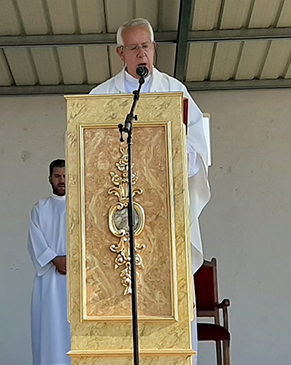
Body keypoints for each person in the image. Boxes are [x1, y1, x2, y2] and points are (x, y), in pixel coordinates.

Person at [90, 17, 211, 274]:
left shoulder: (174, 91)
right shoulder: (101, 97)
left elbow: (198, 144)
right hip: (117, 203)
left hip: (163, 200)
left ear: (154, 48)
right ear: (120, 53)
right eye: (133, 48)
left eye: (146, 46)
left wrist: (182, 154)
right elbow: (88, 151)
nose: (141, 53)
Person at [28, 159, 71, 365]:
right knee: (51, 324)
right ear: (50, 179)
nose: (61, 180)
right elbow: (35, 240)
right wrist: (55, 260)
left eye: (65, 176)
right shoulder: (40, 208)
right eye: (57, 176)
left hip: (76, 277)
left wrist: (72, 261)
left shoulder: (81, 206)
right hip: (50, 278)